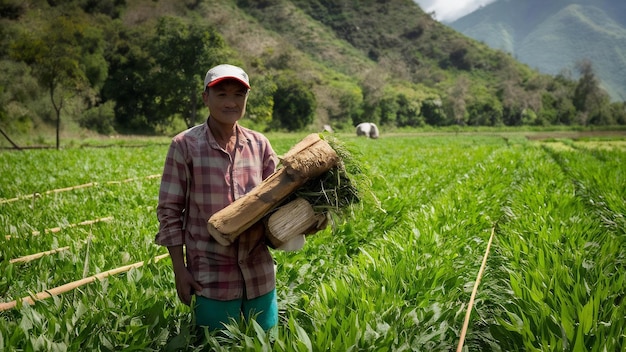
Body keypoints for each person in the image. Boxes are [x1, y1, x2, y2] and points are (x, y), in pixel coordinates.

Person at [155, 64, 279, 332]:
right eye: (221, 94)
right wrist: (180, 269)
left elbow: (279, 200)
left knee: (265, 343)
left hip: (260, 275)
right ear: (205, 98)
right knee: (217, 344)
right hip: (211, 276)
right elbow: (169, 210)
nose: (231, 102)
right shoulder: (185, 145)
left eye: (239, 95)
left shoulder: (260, 144)